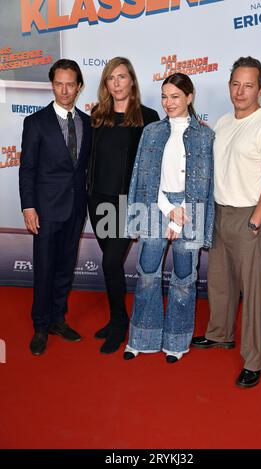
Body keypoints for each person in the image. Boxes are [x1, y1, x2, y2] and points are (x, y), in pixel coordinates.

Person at [191, 56, 261, 387]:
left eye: (248, 85)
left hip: (251, 218)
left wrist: (255, 223)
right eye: (235, 84)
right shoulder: (222, 122)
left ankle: (254, 360)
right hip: (220, 213)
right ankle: (220, 334)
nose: (240, 91)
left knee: (253, 294)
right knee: (220, 283)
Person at [123, 72, 215, 363]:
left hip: (190, 211)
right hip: (155, 206)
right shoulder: (151, 131)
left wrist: (179, 218)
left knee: (184, 278)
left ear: (189, 97)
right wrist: (166, 210)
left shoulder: (205, 135)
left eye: (175, 96)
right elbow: (144, 178)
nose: (168, 102)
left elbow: (204, 184)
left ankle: (176, 341)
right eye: (164, 96)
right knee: (147, 274)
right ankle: (141, 337)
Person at [19, 59, 92, 355]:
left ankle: (58, 319)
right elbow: (27, 169)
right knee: (45, 268)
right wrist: (29, 207)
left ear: (78, 87)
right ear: (52, 85)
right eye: (59, 83)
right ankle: (40, 325)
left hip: (76, 208)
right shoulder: (35, 122)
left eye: (70, 84)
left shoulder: (87, 122)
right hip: (46, 210)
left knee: (65, 268)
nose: (64, 90)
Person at [87, 57, 159, 354]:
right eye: (111, 78)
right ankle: (117, 316)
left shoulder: (148, 116)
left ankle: (118, 324)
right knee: (111, 265)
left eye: (122, 77)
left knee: (110, 262)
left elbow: (160, 156)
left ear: (132, 81)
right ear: (106, 84)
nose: (116, 83)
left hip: (126, 204)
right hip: (98, 200)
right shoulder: (97, 114)